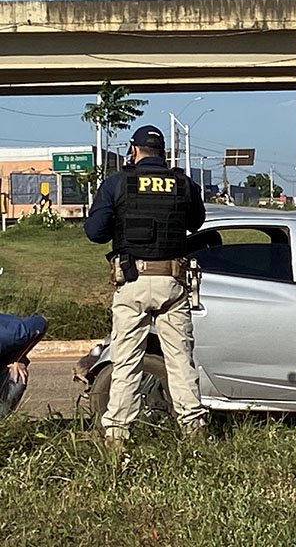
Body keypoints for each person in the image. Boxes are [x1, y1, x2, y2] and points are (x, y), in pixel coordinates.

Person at [84, 124, 207, 445]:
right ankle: (194, 430)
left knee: (126, 359)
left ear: (133, 150)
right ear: (164, 153)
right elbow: (197, 222)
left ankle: (117, 434)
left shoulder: (117, 184)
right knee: (180, 360)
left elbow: (95, 232)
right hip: (173, 282)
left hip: (133, 281)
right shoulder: (184, 184)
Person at [0, 313, 47, 420]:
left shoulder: (13, 332)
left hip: (3, 366)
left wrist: (18, 358)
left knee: (17, 376)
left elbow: (42, 322)